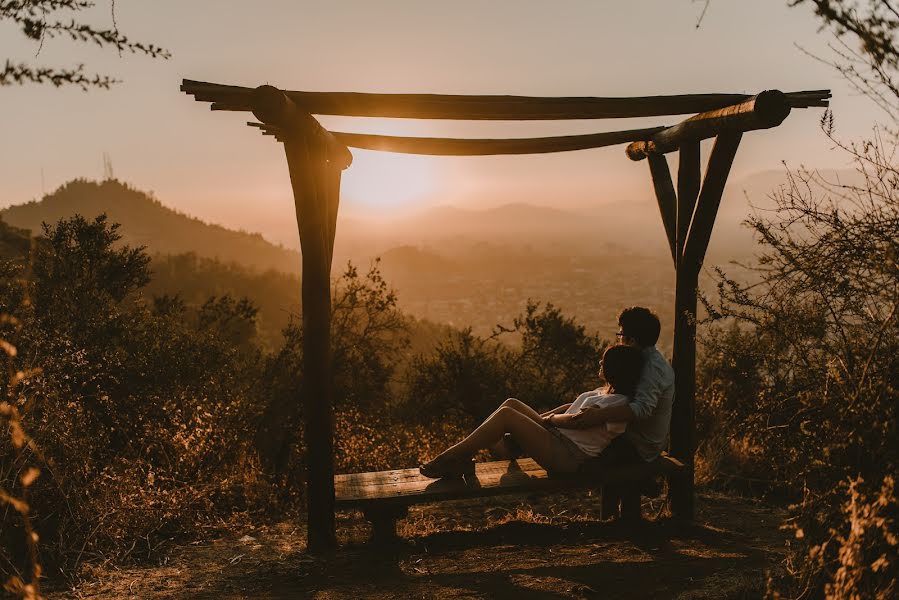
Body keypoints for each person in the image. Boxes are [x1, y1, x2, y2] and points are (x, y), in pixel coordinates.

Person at [419, 344, 645, 479]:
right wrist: (541, 420)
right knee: (512, 403)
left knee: (507, 416)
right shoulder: (603, 392)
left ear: (614, 370)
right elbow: (571, 408)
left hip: (567, 455)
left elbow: (578, 420)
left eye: (603, 362)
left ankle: (447, 458)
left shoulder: (618, 404)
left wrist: (549, 420)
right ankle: (467, 458)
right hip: (558, 439)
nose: (599, 363)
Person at [566, 306, 675, 465]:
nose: (619, 341)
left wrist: (598, 415)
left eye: (621, 335)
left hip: (639, 447)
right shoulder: (642, 359)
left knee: (571, 445)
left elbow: (642, 409)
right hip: (630, 437)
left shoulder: (652, 368)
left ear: (632, 340)